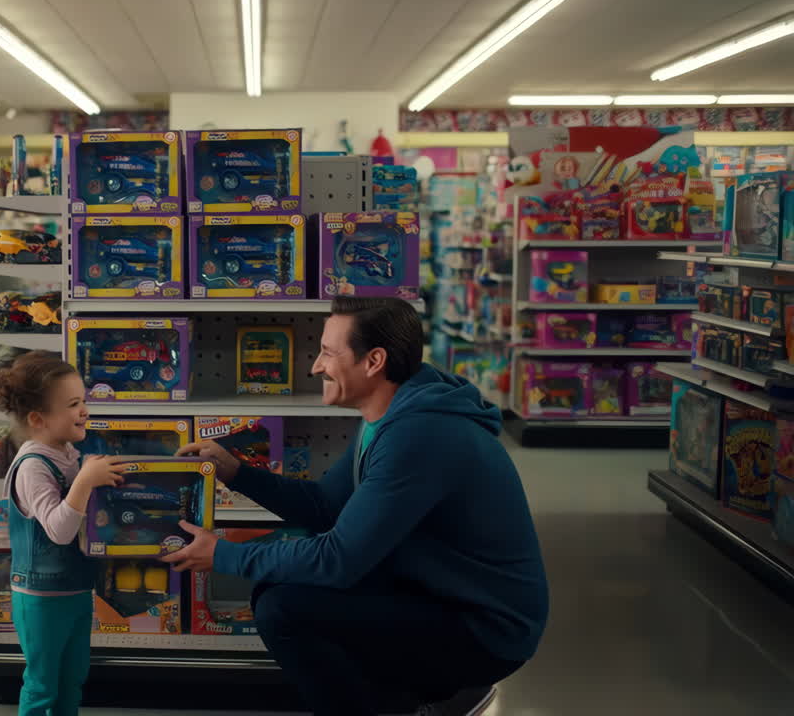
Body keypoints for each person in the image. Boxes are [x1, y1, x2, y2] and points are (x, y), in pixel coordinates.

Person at [165, 296, 549, 716]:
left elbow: (339, 559)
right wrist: (237, 472)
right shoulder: (389, 415)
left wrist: (223, 554)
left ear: (374, 361)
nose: (315, 366)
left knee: (285, 609)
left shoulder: (419, 435)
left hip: (484, 628)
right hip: (440, 595)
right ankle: (409, 701)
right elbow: (325, 505)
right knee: (278, 591)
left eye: (328, 353)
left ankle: (419, 698)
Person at [0, 351, 127, 716]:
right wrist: (85, 481)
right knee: (43, 683)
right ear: (38, 419)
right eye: (74, 404)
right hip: (40, 596)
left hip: (75, 588)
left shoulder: (67, 453)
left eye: (84, 401)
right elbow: (60, 530)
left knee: (72, 678)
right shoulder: (33, 466)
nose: (84, 411)